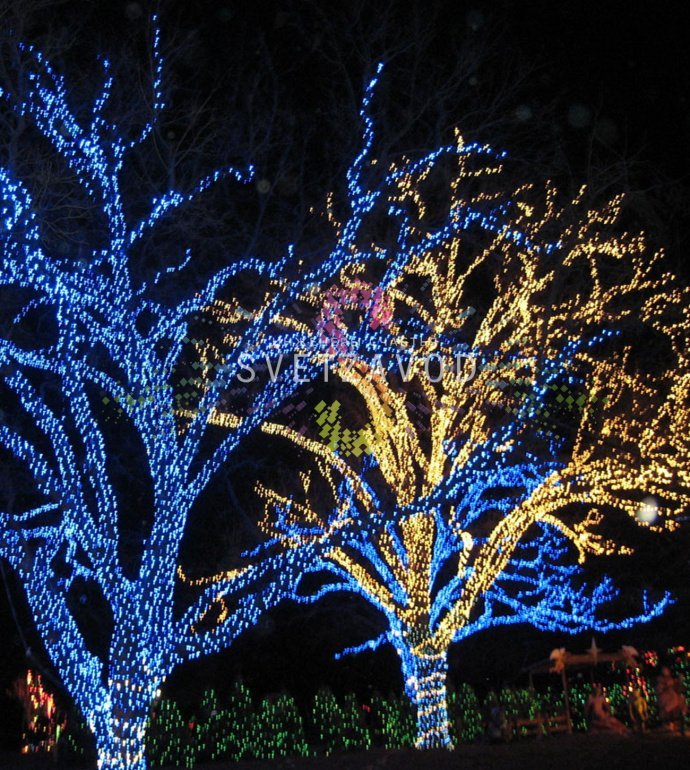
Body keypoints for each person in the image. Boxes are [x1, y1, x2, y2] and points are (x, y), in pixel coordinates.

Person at [655, 667, 688, 733]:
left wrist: (679, 682)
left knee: (680, 700)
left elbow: (677, 687)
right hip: (666, 697)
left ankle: (678, 721)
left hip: (673, 696)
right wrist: (665, 687)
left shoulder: (671, 680)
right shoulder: (660, 681)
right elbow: (659, 690)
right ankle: (667, 722)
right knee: (673, 701)